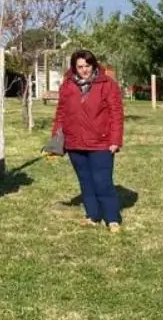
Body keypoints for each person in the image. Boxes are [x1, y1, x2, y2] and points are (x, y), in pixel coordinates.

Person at [50, 49, 126, 232]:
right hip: (74, 142)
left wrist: (115, 139)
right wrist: (56, 139)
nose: (84, 70)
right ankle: (92, 215)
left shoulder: (107, 84)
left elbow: (116, 114)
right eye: (80, 67)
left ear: (94, 65)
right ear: (74, 67)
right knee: (85, 181)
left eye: (87, 66)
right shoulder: (67, 84)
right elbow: (61, 112)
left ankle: (112, 218)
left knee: (103, 181)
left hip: (100, 143)